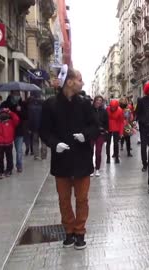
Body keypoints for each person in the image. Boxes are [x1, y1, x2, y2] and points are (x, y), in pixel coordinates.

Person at [40, 65, 97, 250]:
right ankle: (69, 231)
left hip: (81, 158)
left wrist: (86, 135)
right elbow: (44, 131)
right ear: (70, 82)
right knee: (63, 200)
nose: (82, 83)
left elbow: (96, 126)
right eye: (79, 80)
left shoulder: (85, 103)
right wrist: (54, 144)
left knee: (82, 199)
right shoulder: (50, 104)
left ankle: (80, 232)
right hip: (61, 160)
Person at [1, 90, 28, 172]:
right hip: (7, 130)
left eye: (18, 94)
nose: (17, 96)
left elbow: (26, 116)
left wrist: (20, 110)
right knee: (8, 151)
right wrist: (7, 111)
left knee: (19, 150)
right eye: (15, 94)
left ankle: (19, 165)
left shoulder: (22, 104)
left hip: (19, 130)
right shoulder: (4, 104)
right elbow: (1, 116)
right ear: (11, 94)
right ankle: (9, 167)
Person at [0, 108, 19, 179]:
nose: (3, 114)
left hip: (8, 143)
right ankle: (1, 172)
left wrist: (10, 112)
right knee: (0, 158)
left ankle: (9, 170)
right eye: (2, 113)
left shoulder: (11, 122)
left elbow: (16, 119)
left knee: (9, 157)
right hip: (0, 144)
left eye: (5, 113)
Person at [27, 91, 47, 160]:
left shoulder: (30, 105)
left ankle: (36, 155)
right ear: (40, 96)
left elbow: (30, 118)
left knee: (35, 141)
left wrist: (30, 128)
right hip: (44, 127)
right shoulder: (45, 104)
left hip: (35, 127)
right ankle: (43, 155)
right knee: (44, 141)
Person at [91, 96, 108, 177]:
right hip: (91, 134)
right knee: (90, 152)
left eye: (100, 100)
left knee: (98, 152)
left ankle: (97, 168)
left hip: (100, 134)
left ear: (102, 102)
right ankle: (90, 169)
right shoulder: (90, 110)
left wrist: (105, 130)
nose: (98, 101)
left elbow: (106, 123)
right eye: (97, 100)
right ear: (94, 101)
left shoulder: (104, 111)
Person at [106, 99, 124, 164]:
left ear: (116, 106)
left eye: (114, 107)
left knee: (116, 143)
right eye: (112, 107)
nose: (112, 108)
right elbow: (105, 118)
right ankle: (108, 158)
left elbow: (122, 122)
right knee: (108, 143)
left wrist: (121, 132)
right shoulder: (107, 109)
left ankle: (116, 157)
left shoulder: (120, 110)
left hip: (116, 128)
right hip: (108, 128)